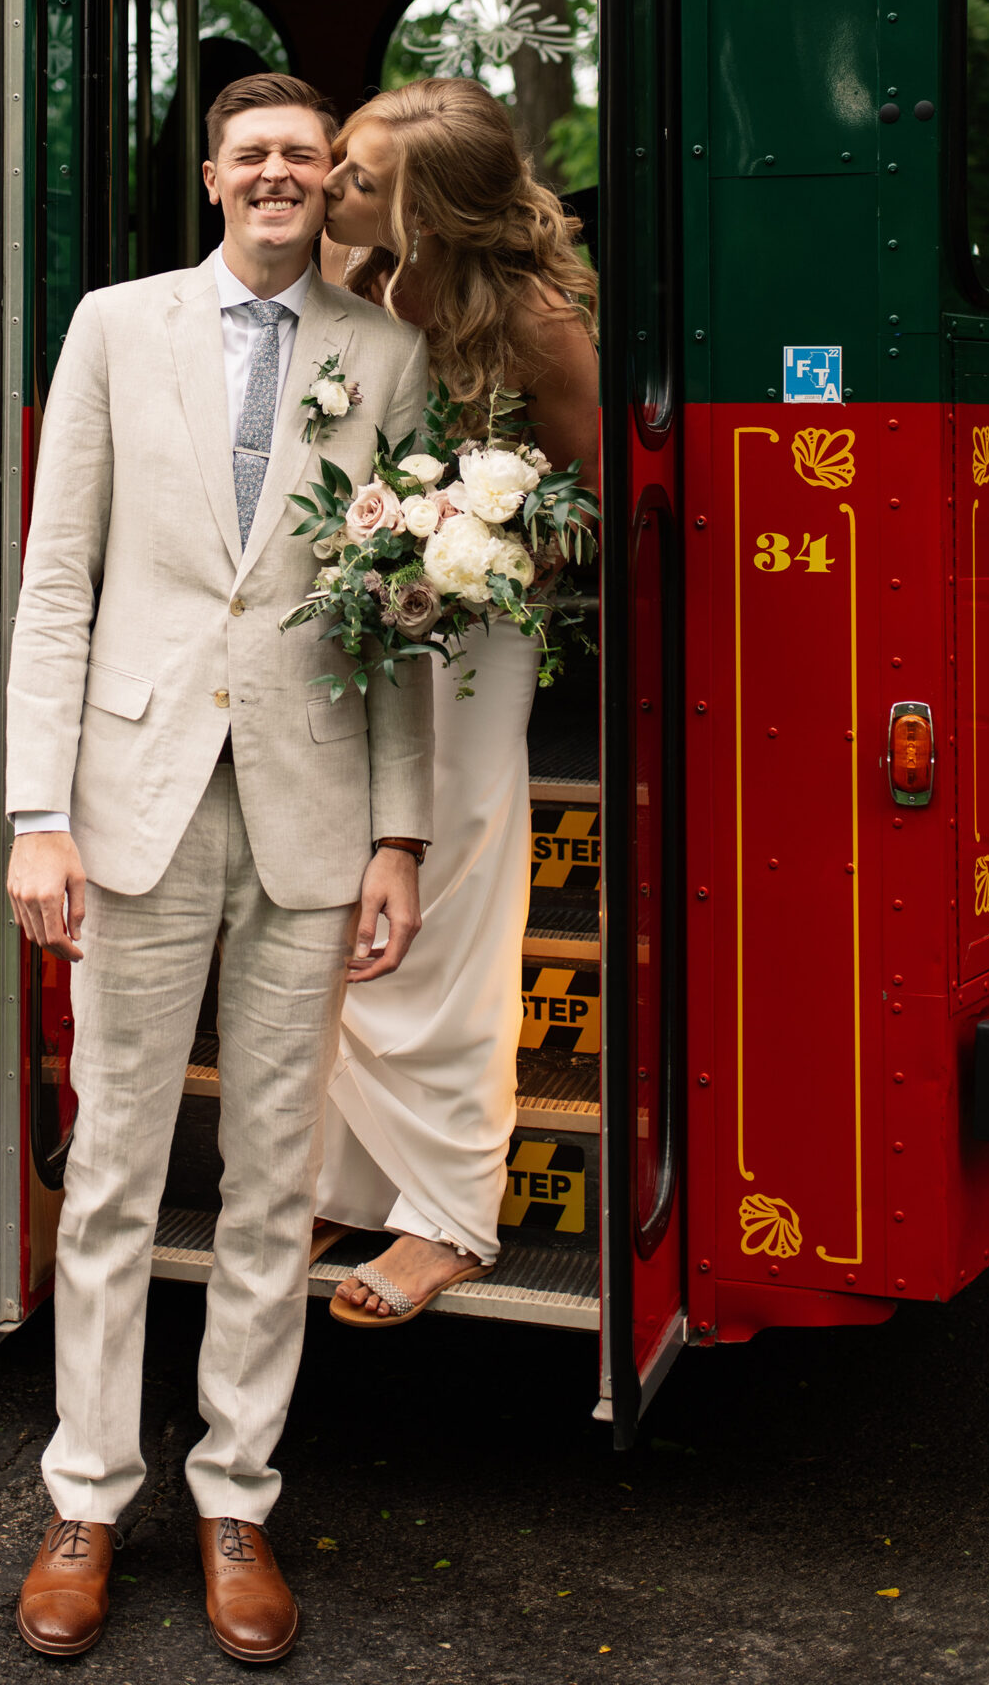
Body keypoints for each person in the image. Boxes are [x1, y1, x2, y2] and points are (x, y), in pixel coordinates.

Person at [5, 71, 435, 1662]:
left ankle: (235, 1494)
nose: (274, 176)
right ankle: (85, 1501)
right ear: (208, 177)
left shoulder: (382, 354)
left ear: (332, 184)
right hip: (134, 802)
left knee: (273, 1180)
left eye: (300, 159)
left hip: (312, 813)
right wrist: (33, 811)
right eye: (248, 154)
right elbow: (57, 584)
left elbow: (399, 622)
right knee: (113, 1161)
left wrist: (398, 835)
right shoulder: (114, 327)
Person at [313, 73, 598, 1325]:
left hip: (474, 638)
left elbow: (592, 506)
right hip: (356, 625)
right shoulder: (348, 277)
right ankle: (340, 1171)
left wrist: (472, 531)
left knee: (452, 897)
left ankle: (447, 1214)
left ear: (426, 213)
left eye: (360, 179)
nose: (331, 188)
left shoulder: (537, 322)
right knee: (334, 878)